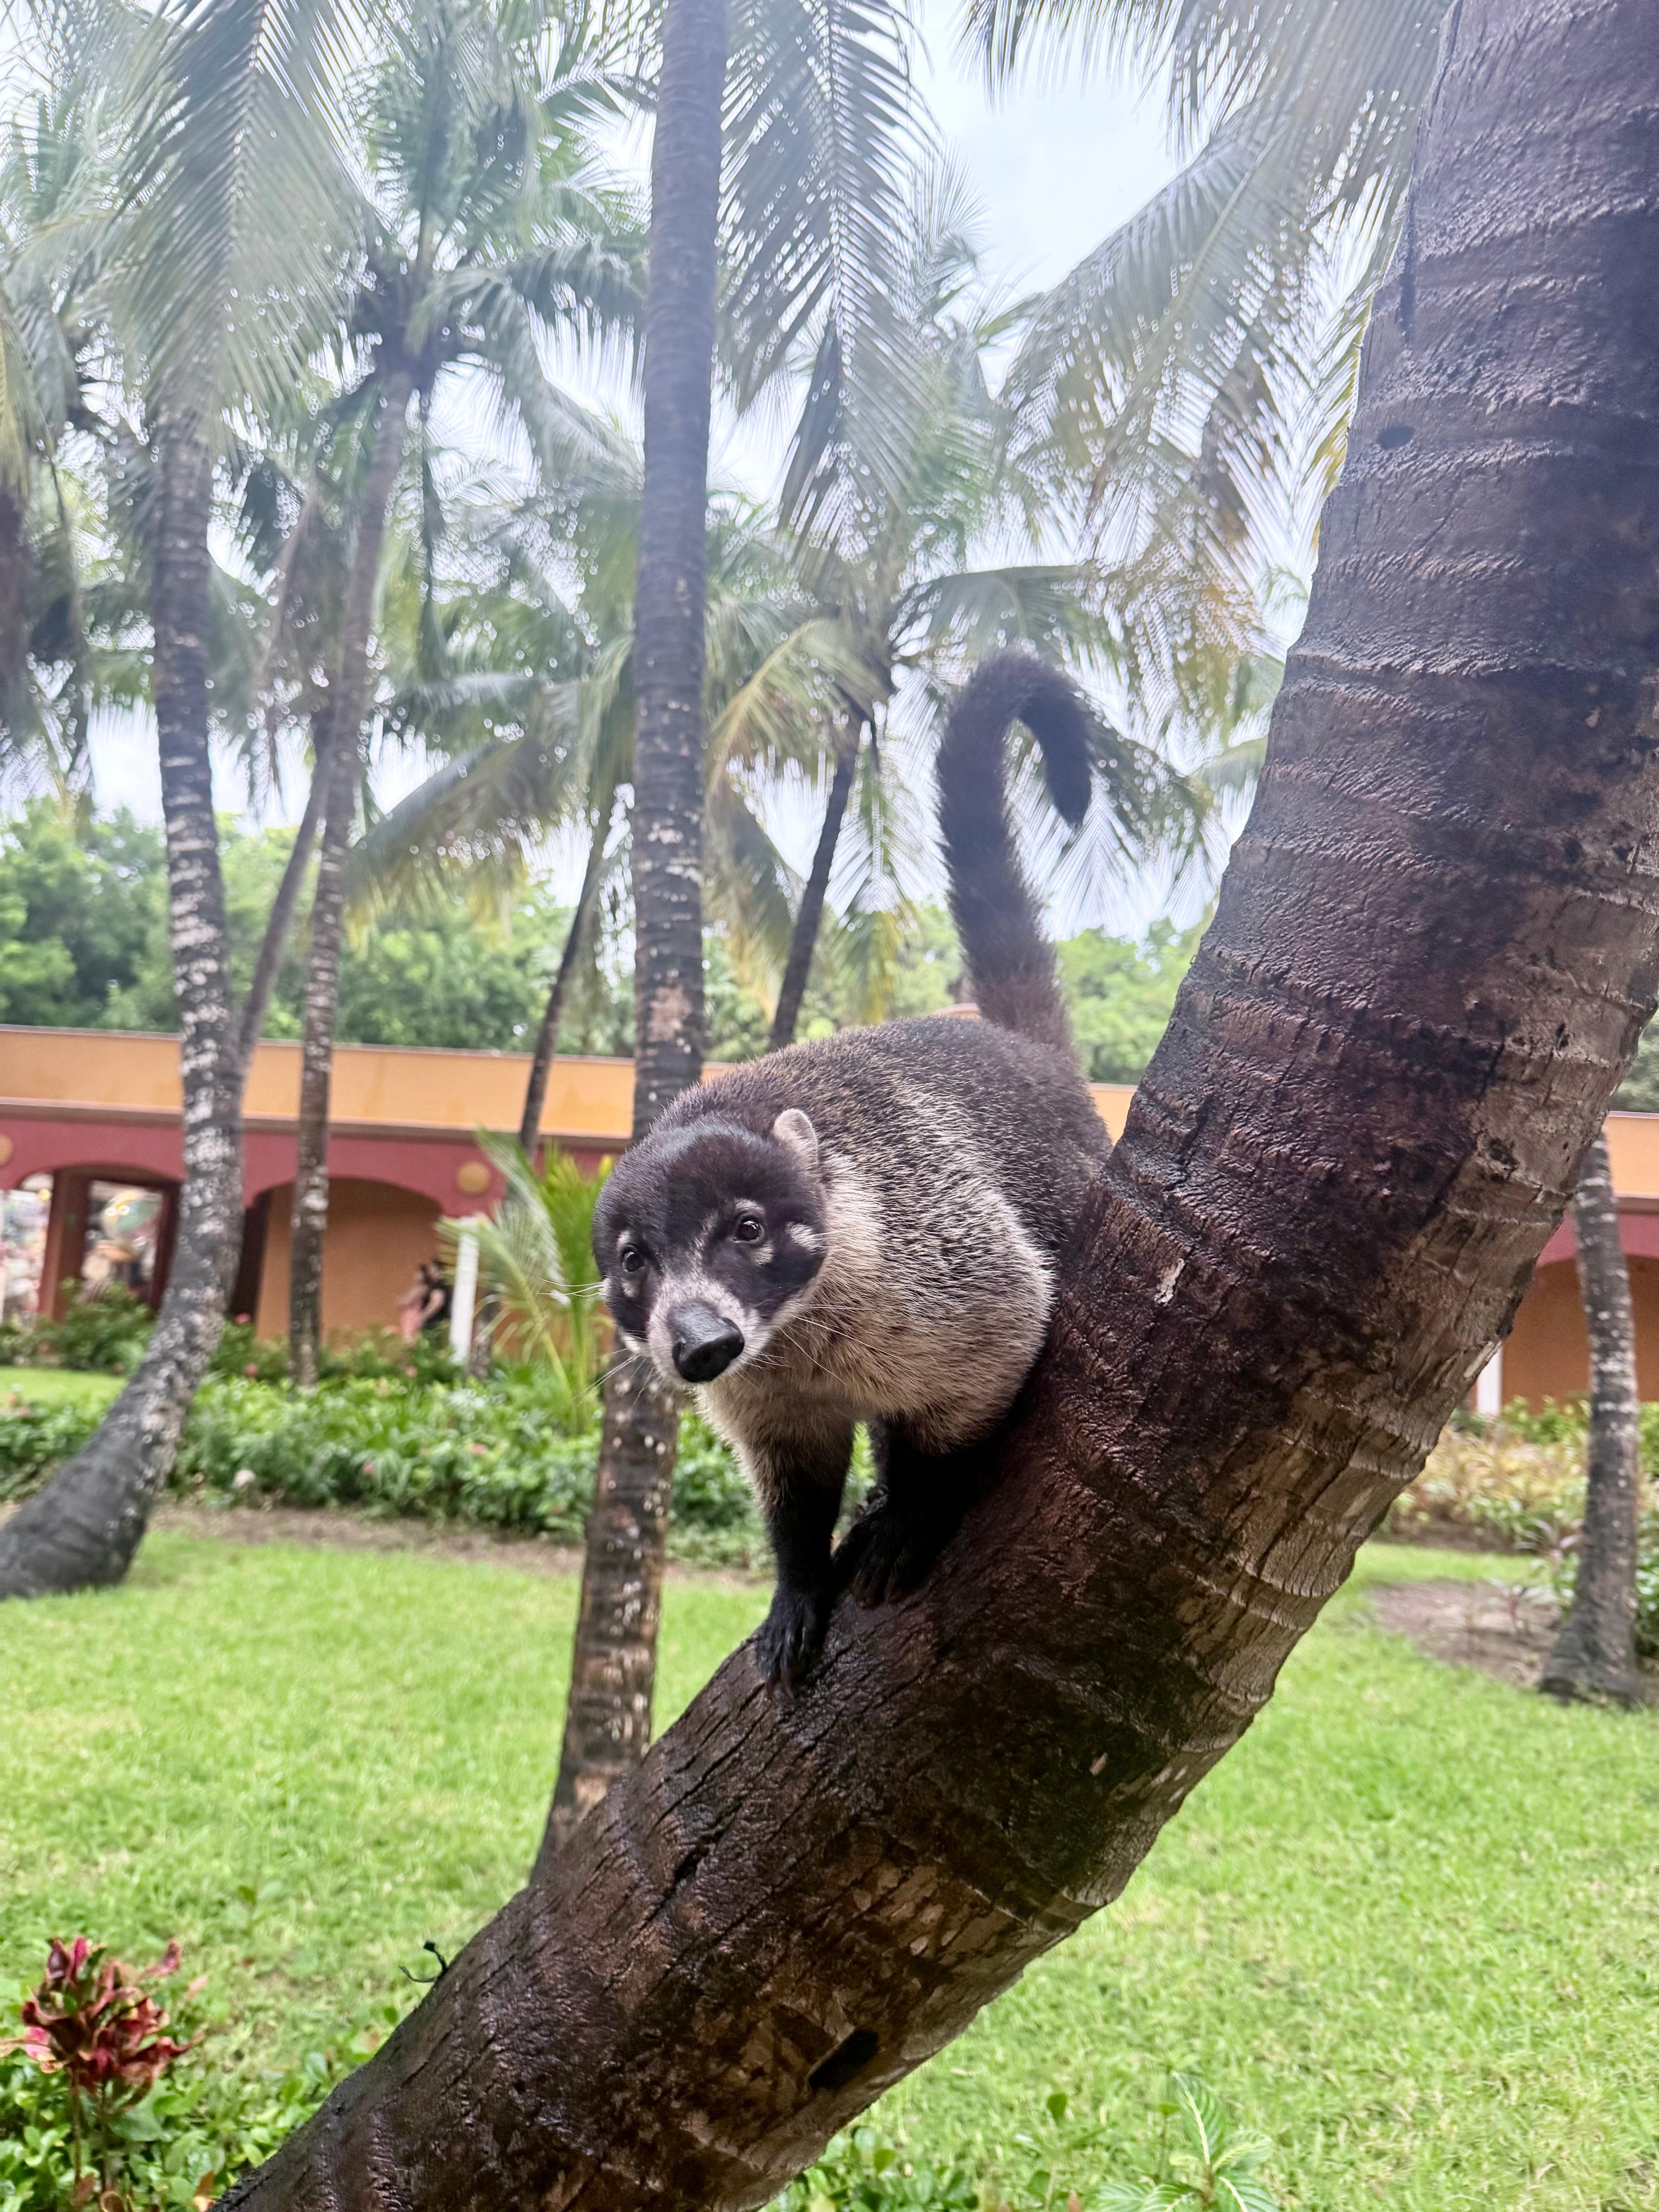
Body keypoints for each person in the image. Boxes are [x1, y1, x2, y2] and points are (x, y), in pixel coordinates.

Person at [397, 1260, 452, 1341]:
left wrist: (423, 1317)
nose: (429, 1271)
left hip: (434, 1324)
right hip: (433, 1324)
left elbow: (437, 1303)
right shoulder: (435, 1286)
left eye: (431, 1268)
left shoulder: (438, 1286)